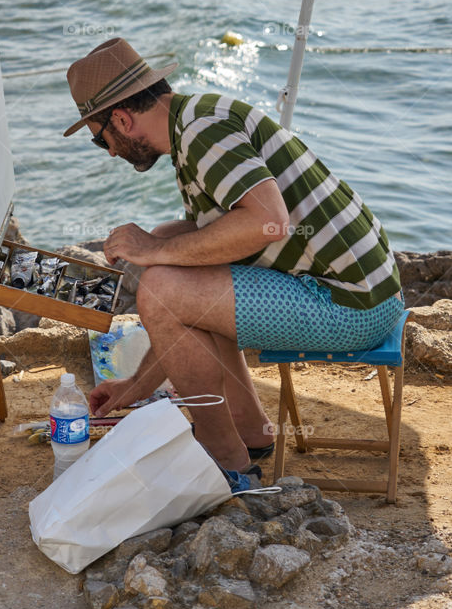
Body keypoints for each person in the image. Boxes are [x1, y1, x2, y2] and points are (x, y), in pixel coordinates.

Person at [64, 37, 402, 478]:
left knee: (163, 280)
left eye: (100, 140)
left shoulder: (203, 133)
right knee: (172, 253)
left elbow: (269, 223)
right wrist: (135, 386)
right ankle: (250, 431)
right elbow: (208, 262)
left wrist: (156, 251)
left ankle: (225, 458)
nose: (109, 152)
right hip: (363, 291)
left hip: (351, 307)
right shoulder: (197, 120)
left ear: (122, 119)